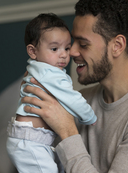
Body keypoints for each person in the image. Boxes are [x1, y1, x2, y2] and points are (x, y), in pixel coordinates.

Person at [21, 0, 128, 173]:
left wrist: (67, 131)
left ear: (117, 46)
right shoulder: (80, 100)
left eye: (83, 44)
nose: (71, 52)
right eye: (73, 42)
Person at [6, 13, 97, 173]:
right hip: (31, 141)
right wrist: (89, 116)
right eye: (54, 49)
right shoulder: (51, 74)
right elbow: (72, 98)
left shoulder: (36, 68)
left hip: (31, 140)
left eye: (67, 48)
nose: (63, 54)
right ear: (33, 51)